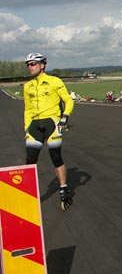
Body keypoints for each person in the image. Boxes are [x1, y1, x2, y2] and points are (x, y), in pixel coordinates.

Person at [23, 53, 75, 211]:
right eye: (28, 64)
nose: (30, 67)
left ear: (42, 65)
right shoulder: (27, 86)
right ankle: (28, 194)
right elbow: (27, 109)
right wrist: (27, 127)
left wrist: (65, 116)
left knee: (56, 158)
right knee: (30, 161)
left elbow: (68, 100)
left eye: (33, 63)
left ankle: (63, 189)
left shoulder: (55, 81)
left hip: (52, 123)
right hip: (34, 126)